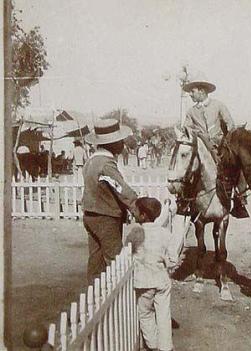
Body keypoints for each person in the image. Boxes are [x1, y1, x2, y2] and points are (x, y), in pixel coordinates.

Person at [182, 73, 249, 218]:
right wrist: (198, 134)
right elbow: (186, 129)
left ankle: (240, 199)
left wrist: (225, 140)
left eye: (192, 92)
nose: (190, 95)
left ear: (202, 91)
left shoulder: (218, 105)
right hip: (201, 147)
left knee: (236, 166)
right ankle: (185, 202)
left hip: (220, 147)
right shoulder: (191, 112)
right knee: (187, 168)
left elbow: (230, 124)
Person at [125, 196, 186, 351]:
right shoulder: (164, 233)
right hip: (162, 281)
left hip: (143, 282)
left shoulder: (135, 234)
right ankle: (166, 347)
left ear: (144, 215)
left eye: (136, 212)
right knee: (164, 314)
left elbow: (126, 254)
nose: (134, 214)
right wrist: (166, 262)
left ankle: (153, 345)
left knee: (145, 314)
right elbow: (173, 260)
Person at [82, 119, 139, 283]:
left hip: (90, 215)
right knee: (115, 260)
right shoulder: (106, 165)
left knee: (95, 259)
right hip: (106, 218)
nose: (122, 144)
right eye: (120, 141)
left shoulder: (91, 161)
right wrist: (139, 207)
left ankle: (94, 295)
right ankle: (119, 295)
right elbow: (121, 189)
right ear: (111, 143)